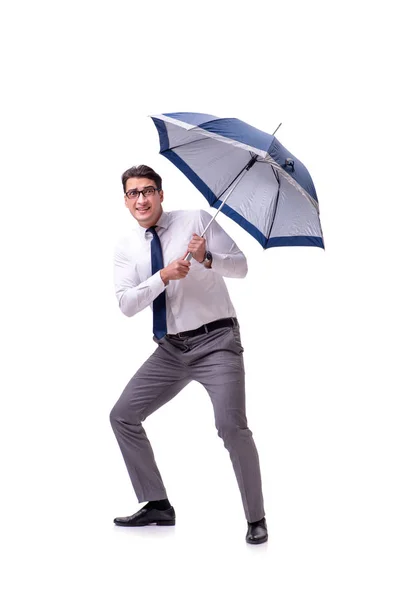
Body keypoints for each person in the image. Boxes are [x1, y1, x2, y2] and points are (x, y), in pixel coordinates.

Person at [110, 164, 268, 544]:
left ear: (161, 195)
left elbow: (242, 267)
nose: (142, 199)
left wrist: (208, 256)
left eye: (148, 191)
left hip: (217, 342)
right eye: (134, 193)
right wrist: (162, 277)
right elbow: (126, 305)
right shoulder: (127, 246)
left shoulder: (196, 220)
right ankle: (157, 504)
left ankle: (256, 518)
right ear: (126, 201)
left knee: (231, 427)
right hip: (171, 348)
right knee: (123, 415)